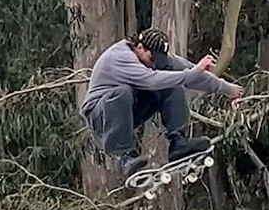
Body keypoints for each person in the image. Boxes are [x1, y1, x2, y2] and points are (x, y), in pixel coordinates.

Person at [81, 28, 243, 178]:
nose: (154, 64)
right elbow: (152, 80)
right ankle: (125, 157)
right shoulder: (119, 57)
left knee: (172, 80)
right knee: (123, 92)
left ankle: (178, 143)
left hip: (127, 111)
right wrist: (193, 73)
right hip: (100, 116)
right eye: (151, 59)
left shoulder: (153, 56)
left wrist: (229, 89)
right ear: (139, 48)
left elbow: (193, 74)